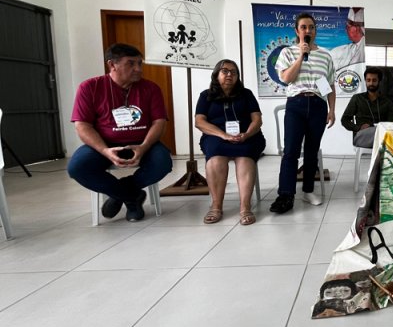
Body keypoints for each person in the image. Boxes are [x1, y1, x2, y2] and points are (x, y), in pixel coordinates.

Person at [67, 43, 172, 222]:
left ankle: (121, 193)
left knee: (163, 163)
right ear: (112, 65)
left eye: (139, 63)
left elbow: (159, 122)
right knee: (77, 167)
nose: (138, 69)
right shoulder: (90, 87)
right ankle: (132, 197)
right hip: (104, 144)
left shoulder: (151, 88)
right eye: (131, 63)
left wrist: (144, 146)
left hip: (142, 142)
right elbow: (82, 125)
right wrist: (105, 150)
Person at [270, 13, 336, 214]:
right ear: (297, 31)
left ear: (315, 30)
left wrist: (332, 110)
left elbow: (329, 85)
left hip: (317, 105)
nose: (308, 30)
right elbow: (287, 78)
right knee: (291, 151)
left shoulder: (325, 55)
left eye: (311, 27)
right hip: (296, 104)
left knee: (311, 151)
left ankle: (308, 191)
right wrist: (301, 55)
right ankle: (286, 194)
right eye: (304, 27)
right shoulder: (288, 52)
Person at [194, 59, 266, 225]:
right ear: (216, 75)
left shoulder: (246, 94)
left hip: (247, 135)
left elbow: (257, 119)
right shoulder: (206, 96)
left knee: (245, 156)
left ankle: (245, 207)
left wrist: (246, 134)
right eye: (225, 71)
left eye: (234, 72)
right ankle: (216, 206)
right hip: (216, 136)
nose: (229, 75)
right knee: (216, 158)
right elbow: (199, 122)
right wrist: (223, 135)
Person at [341, 67, 393, 148]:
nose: (371, 83)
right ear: (365, 81)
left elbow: (392, 123)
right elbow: (344, 120)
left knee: (387, 134)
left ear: (379, 81)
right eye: (368, 80)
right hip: (363, 136)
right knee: (384, 136)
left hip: (382, 134)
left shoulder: (387, 102)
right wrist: (358, 128)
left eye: (374, 80)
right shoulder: (357, 98)